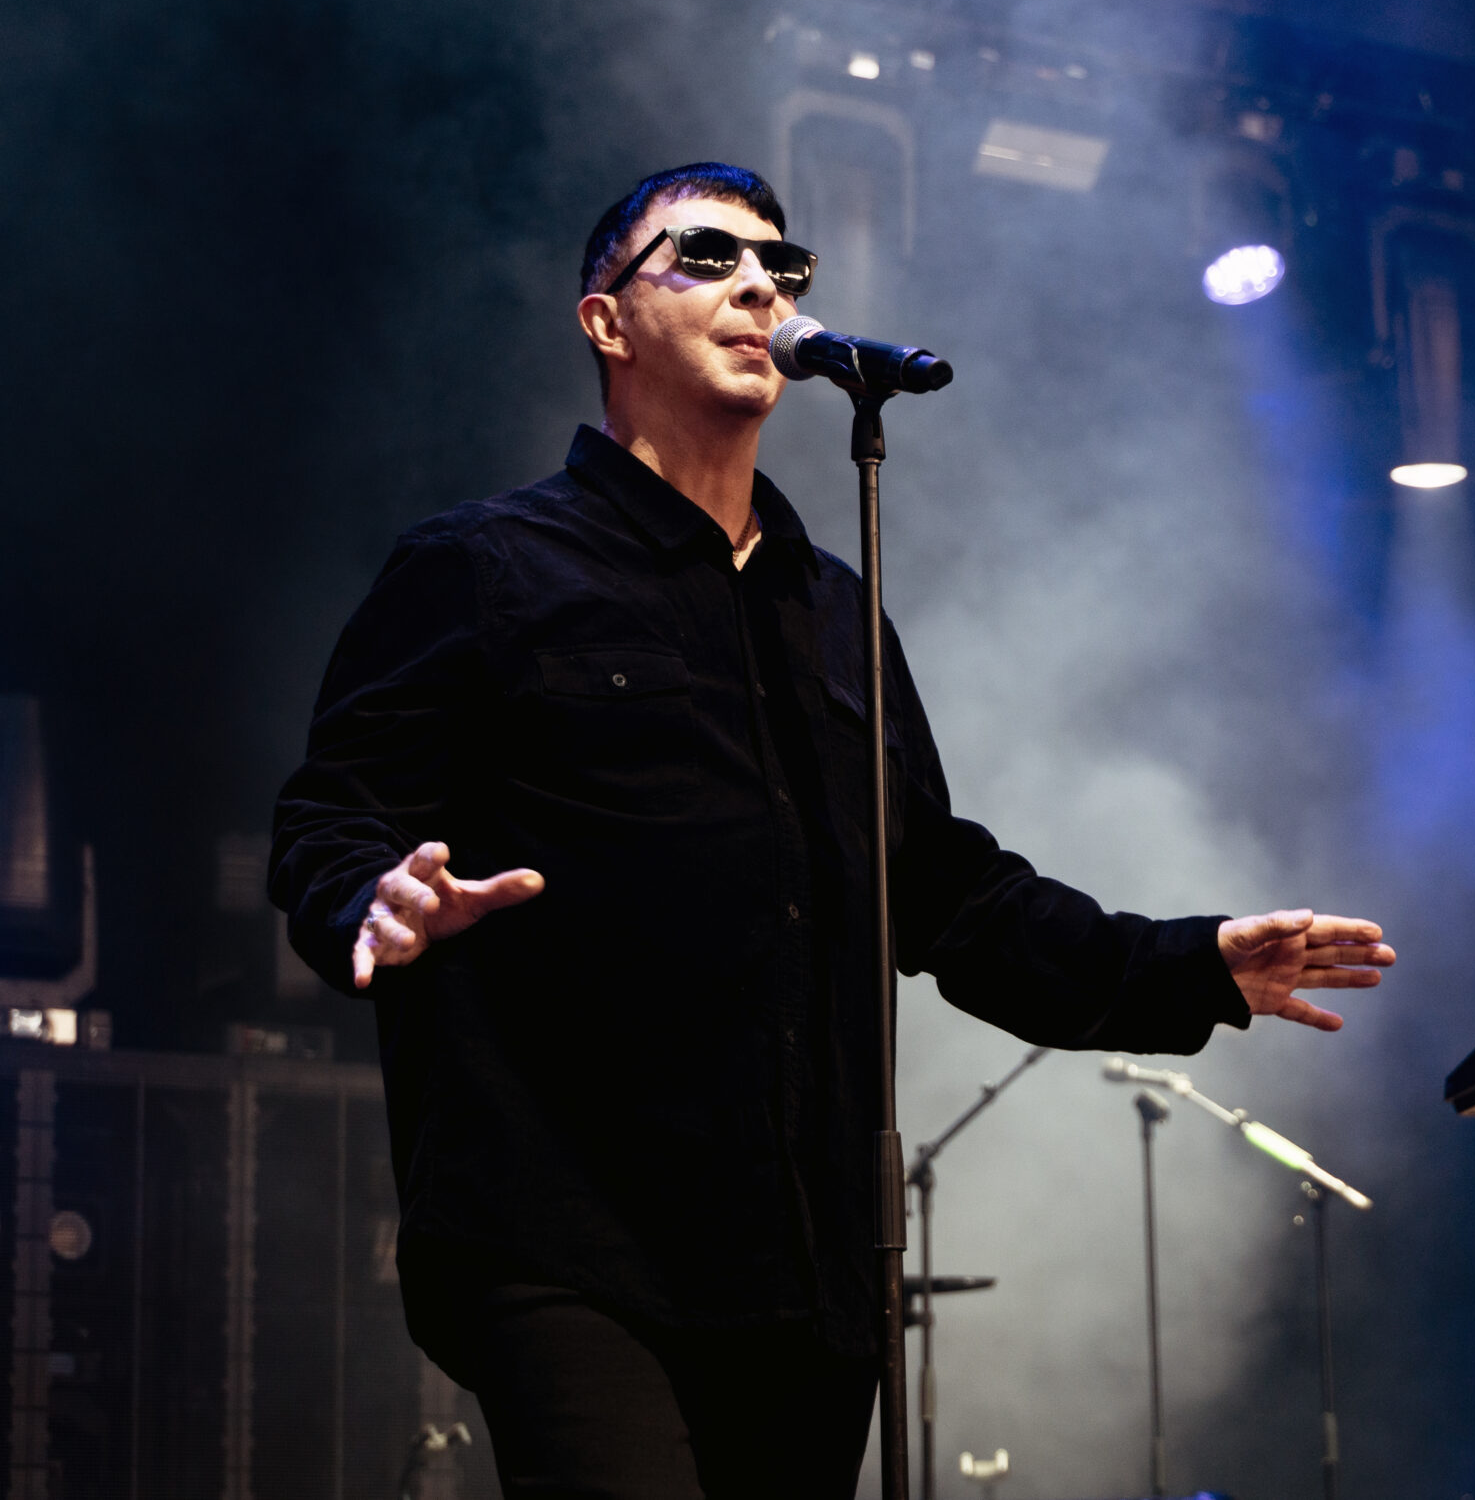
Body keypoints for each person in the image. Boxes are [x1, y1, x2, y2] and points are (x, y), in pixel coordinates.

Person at [269, 162, 1395, 1499]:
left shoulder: (837, 610)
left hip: (806, 1261)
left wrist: (1187, 964)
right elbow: (331, 814)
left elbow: (951, 895)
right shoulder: (485, 566)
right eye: (704, 255)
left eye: (781, 264)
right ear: (606, 321)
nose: (760, 284)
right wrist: (372, 895)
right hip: (568, 1227)